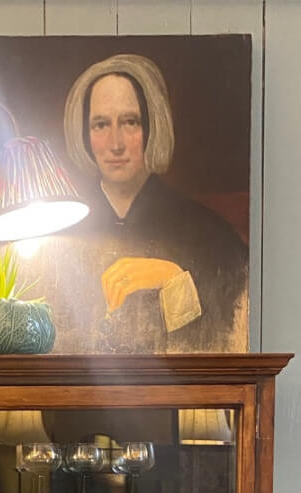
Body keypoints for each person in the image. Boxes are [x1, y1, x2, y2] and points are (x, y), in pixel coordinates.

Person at [34, 53, 248, 354]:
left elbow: (229, 341)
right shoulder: (56, 233)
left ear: (153, 127)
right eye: (100, 125)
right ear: (84, 134)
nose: (116, 143)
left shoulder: (211, 234)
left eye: (130, 122)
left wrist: (175, 283)